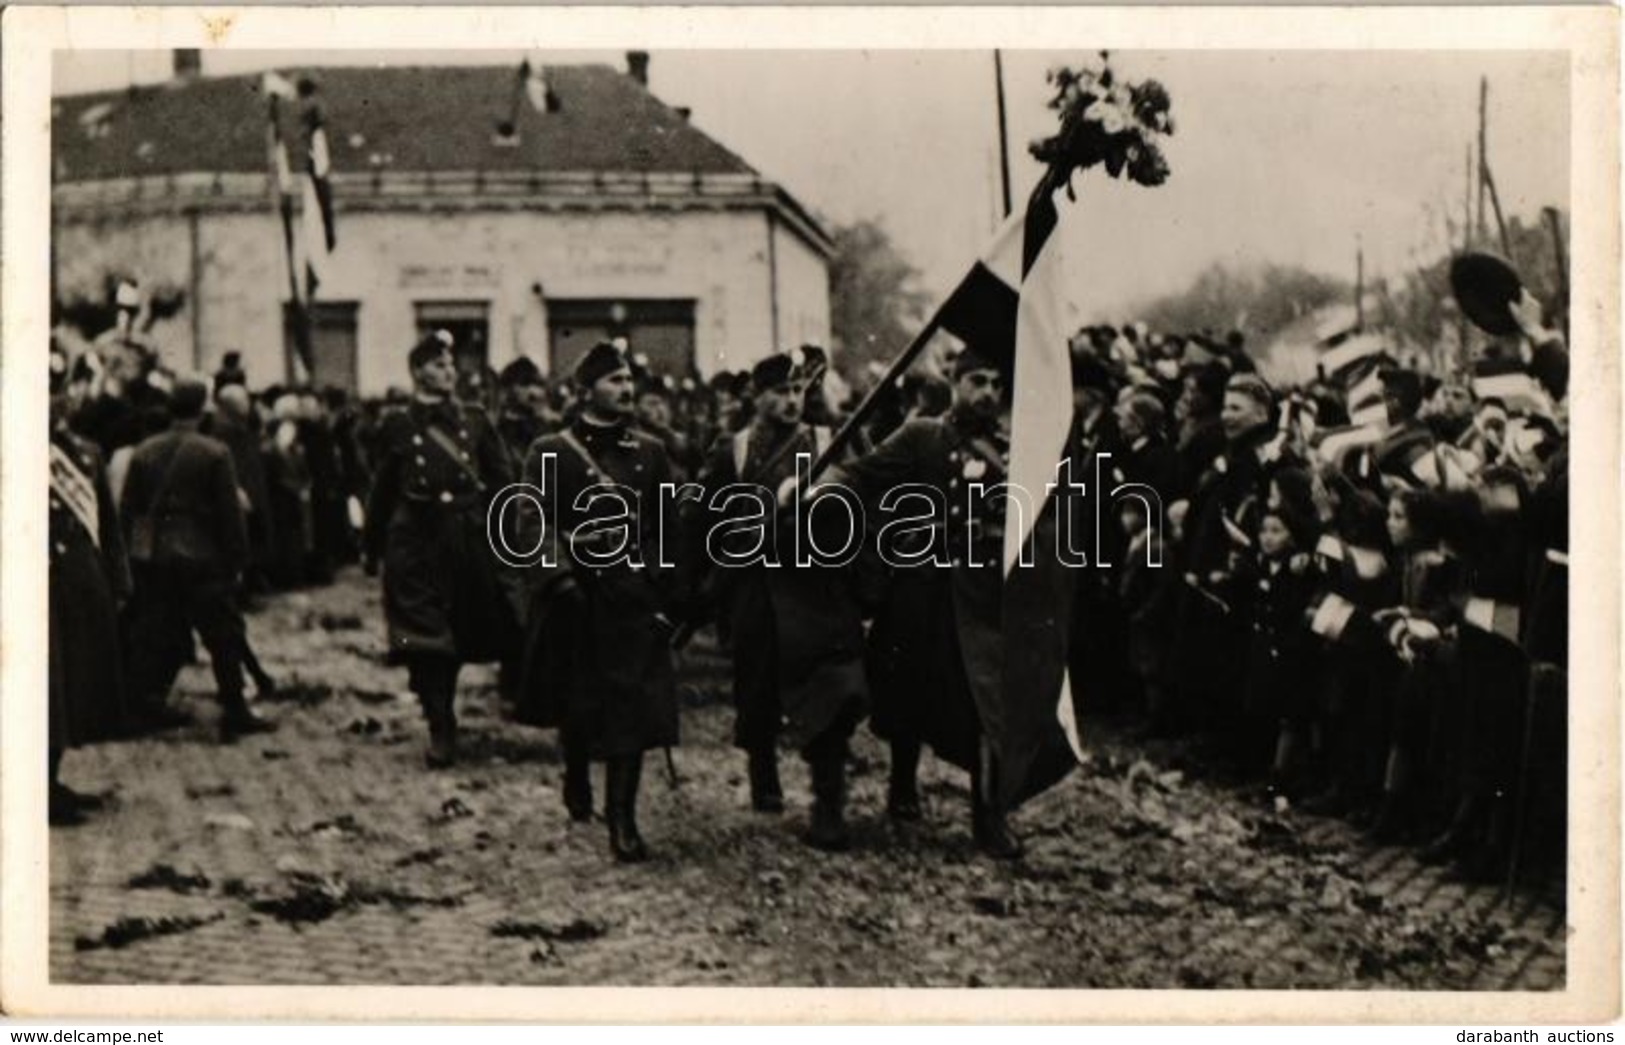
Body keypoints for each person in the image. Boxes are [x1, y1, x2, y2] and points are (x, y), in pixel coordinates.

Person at [826, 347, 1026, 858]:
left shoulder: (1009, 448)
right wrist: (819, 489)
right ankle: (902, 783)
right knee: (905, 693)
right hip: (920, 590)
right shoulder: (923, 436)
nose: (987, 392)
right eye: (976, 380)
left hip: (980, 596)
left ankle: (989, 819)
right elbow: (863, 473)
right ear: (954, 382)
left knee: (986, 703)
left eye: (995, 383)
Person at [687, 350, 869, 849]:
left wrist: (824, 492)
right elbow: (704, 518)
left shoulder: (829, 443)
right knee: (758, 687)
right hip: (757, 587)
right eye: (780, 392)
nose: (791, 401)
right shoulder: (736, 449)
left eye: (796, 391)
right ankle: (762, 769)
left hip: (818, 587)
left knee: (833, 690)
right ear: (756, 396)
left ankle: (827, 803)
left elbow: (862, 493)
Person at [518, 341, 681, 863]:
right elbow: (532, 522)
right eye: (614, 380)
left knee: (631, 707)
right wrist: (559, 576)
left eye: (629, 379)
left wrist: (656, 578)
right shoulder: (550, 451)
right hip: (577, 597)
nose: (627, 388)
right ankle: (575, 769)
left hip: (629, 597)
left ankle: (624, 823)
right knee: (581, 701)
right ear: (586, 391)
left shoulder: (652, 452)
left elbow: (664, 526)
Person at [362, 330, 517, 767]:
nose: (447, 372)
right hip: (415, 543)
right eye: (436, 365)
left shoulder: (476, 419)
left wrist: (508, 538)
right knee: (428, 640)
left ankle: (469, 707)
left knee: (466, 631)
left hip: (467, 540)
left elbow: (503, 482)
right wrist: (371, 548)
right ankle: (440, 724)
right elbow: (383, 488)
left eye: (450, 365)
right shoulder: (397, 423)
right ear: (416, 372)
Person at [120, 375, 274, 742]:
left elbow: (130, 512)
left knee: (156, 632)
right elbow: (229, 515)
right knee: (223, 635)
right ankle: (234, 709)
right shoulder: (215, 452)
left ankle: (143, 705)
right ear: (203, 409)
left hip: (157, 558)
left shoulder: (144, 452)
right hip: (204, 557)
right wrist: (238, 562)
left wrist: (137, 559)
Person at [49, 343, 134, 823]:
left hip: (77, 586)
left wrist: (118, 581)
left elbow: (107, 526)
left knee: (72, 688)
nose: (55, 402)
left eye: (58, 391)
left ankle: (51, 777)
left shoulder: (84, 453)